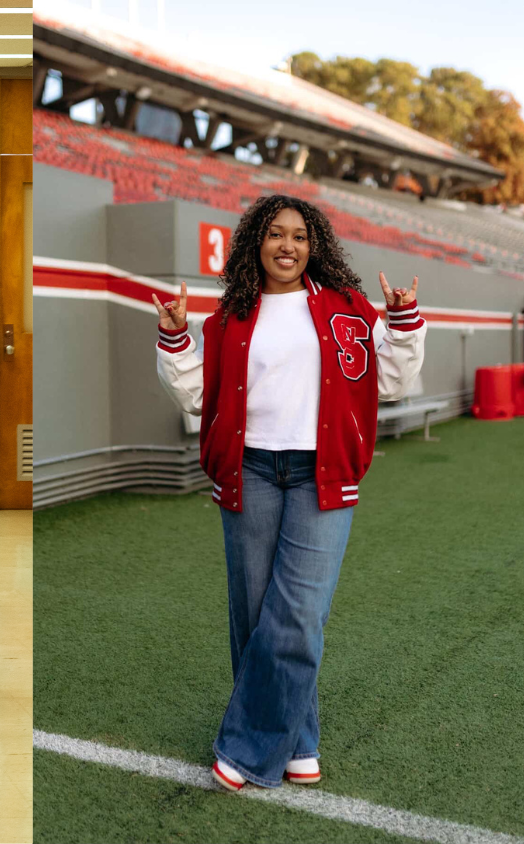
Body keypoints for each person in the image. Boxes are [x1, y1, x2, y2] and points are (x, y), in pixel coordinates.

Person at [152, 194, 426, 791]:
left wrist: (401, 321)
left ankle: (247, 749)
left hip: (321, 472)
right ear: (255, 242)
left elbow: (398, 381)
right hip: (248, 471)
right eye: (274, 234)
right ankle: (299, 740)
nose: (287, 246)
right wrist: (176, 336)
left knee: (299, 615)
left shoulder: (348, 309)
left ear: (314, 245)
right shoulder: (228, 318)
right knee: (254, 617)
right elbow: (198, 395)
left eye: (299, 236)